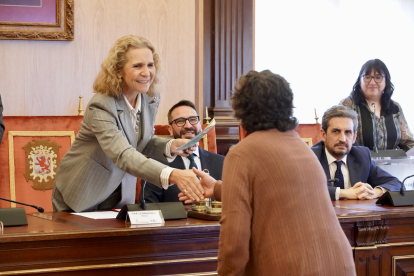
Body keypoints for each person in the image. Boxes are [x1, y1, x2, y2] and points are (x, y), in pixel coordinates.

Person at [182, 70, 356, 275]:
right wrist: (217, 188)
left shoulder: (241, 153)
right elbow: (273, 191)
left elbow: (234, 243)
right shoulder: (303, 148)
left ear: (241, 108)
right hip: (339, 265)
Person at [52, 35, 204, 213]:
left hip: (119, 194)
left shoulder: (150, 98)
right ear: (118, 71)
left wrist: (171, 145)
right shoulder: (101, 105)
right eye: (137, 66)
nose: (146, 73)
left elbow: (139, 141)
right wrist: (172, 174)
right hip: (81, 192)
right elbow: (123, 153)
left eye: (150, 65)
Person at [139, 100, 224, 203]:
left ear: (200, 126)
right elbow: (149, 209)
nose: (188, 126)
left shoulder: (222, 163)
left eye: (193, 120)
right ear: (170, 129)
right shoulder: (155, 164)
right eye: (180, 121)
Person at [311, 105, 401, 201]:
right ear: (324, 135)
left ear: (354, 137)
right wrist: (344, 193)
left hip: (356, 214)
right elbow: (306, 190)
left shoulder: (362, 156)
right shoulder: (311, 157)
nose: (342, 139)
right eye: (336, 131)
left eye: (348, 132)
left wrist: (374, 192)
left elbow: (395, 183)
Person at [340, 59, 414, 151]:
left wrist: (407, 161)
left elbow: (408, 142)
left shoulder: (395, 107)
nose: (372, 82)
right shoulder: (348, 105)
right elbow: (340, 138)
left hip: (392, 164)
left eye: (378, 77)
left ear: (386, 81)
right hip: (358, 163)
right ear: (359, 80)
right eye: (367, 77)